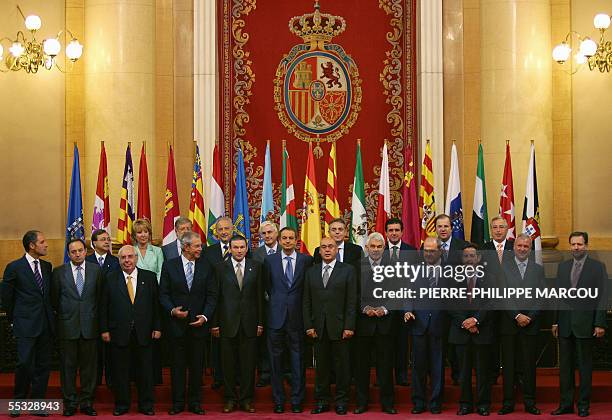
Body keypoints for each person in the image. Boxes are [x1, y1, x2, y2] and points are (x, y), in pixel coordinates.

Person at [99, 245, 161, 416]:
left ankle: (146, 405)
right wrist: (104, 329)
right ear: (118, 260)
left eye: (130, 257)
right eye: (123, 257)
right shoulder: (110, 278)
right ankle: (121, 405)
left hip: (144, 332)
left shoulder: (148, 277)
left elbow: (156, 305)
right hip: (118, 332)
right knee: (121, 372)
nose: (127, 260)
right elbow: (103, 306)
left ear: (136, 258)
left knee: (145, 371)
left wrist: (157, 327)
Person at [160, 231, 217, 415]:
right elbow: (163, 294)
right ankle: (177, 403)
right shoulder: (170, 266)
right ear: (186, 247)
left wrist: (205, 317)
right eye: (197, 246)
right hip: (176, 327)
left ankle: (195, 403)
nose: (201, 248)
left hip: (199, 326)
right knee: (177, 367)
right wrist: (172, 310)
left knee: (196, 367)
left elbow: (212, 295)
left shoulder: (207, 266)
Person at [551, 232, 607, 418]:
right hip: (565, 324)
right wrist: (555, 321)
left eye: (579, 244)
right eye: (573, 244)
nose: (576, 247)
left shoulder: (598, 267)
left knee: (584, 368)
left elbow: (603, 297)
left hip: (586, 324)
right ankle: (566, 404)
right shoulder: (563, 267)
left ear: (586, 245)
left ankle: (583, 405)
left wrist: (599, 323)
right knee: (565, 369)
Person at [1, 230, 55, 417]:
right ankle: (17, 401)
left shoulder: (48, 267)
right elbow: (6, 298)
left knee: (43, 365)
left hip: (45, 325)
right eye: (42, 241)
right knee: (24, 364)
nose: (46, 244)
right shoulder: (14, 267)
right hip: (25, 325)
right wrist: (13, 320)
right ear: (32, 245)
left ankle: (37, 404)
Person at [303, 236, 357, 415]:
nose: (327, 250)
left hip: (341, 328)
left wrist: (349, 326)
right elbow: (306, 302)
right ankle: (322, 401)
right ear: (319, 251)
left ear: (336, 250)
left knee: (342, 367)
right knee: (322, 368)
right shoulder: (311, 272)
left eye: (331, 247)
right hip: (318, 328)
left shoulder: (348, 270)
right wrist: (309, 325)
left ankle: (341, 401)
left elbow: (351, 301)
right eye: (324, 247)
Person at [211, 235, 264, 414]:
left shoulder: (256, 267)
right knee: (228, 365)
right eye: (236, 247)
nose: (239, 250)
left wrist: (260, 323)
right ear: (230, 249)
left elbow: (259, 298)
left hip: (250, 324)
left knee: (249, 365)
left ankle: (247, 399)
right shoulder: (219, 268)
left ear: (247, 248)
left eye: (242, 247)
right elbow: (216, 298)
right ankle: (230, 399)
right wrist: (215, 324)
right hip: (227, 324)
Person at [263, 226, 312, 414]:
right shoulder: (270, 260)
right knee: (276, 363)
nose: (288, 241)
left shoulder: (306, 260)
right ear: (279, 240)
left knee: (298, 361)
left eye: (291, 238)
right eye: (284, 238)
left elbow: (307, 288)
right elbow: (268, 287)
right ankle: (278, 400)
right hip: (276, 319)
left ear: (296, 240)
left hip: (297, 319)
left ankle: (297, 400)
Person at [51, 238, 103, 416]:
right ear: (68, 254)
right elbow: (54, 300)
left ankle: (87, 403)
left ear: (85, 251)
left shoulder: (96, 271)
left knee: (90, 369)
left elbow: (100, 298)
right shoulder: (58, 272)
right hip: (67, 327)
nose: (78, 254)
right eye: (73, 252)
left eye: (80, 250)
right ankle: (70, 403)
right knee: (68, 368)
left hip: (90, 327)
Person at [498, 234, 544, 416]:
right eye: (520, 246)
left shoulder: (537, 269)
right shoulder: (504, 268)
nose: (523, 249)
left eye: (526, 246)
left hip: (530, 325)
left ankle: (530, 402)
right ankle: (508, 402)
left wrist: (529, 317)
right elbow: (502, 295)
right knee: (508, 366)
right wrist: (516, 315)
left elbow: (541, 297)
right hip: (509, 324)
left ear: (530, 249)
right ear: (514, 247)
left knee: (528, 366)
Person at [448, 244, 495, 416]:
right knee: (463, 373)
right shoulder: (453, 278)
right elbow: (449, 303)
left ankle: (483, 404)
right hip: (461, 333)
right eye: (465, 256)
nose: (469, 259)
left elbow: (491, 302)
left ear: (478, 259)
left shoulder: (489, 278)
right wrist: (465, 323)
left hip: (482, 332)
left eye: (472, 256)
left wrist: (475, 320)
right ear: (462, 259)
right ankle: (465, 404)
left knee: (483, 372)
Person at [354, 232, 398, 415]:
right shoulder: (356, 267)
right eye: (372, 246)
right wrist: (364, 309)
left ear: (384, 248)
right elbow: (351, 295)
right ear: (366, 248)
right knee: (361, 367)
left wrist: (385, 309)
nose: (375, 250)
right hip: (363, 325)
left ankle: (387, 404)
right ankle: (361, 403)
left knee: (386, 367)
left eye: (379, 247)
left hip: (385, 325)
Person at [405, 237, 447, 414]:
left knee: (438, 367)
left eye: (432, 250)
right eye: (426, 251)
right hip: (418, 324)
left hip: (440, 324)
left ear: (439, 251)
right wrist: (407, 310)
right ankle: (419, 402)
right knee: (418, 367)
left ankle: (436, 402)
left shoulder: (450, 272)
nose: (429, 254)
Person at [479, 216, 513, 386]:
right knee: (490, 341)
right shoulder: (483, 249)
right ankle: (492, 375)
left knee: (509, 344)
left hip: (511, 306)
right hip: (489, 305)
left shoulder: (516, 248)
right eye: (495, 227)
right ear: (491, 230)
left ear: (507, 229)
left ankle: (512, 376)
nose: (498, 230)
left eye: (501, 227)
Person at [434, 213, 467, 385]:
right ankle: (438, 378)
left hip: (457, 305)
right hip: (436, 306)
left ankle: (458, 376)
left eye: (446, 226)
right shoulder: (429, 247)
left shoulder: (463, 247)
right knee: (440, 343)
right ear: (436, 229)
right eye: (440, 226)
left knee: (457, 344)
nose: (443, 229)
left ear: (451, 227)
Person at [384, 217, 416, 387]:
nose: (394, 233)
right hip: (384, 308)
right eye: (391, 230)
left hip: (405, 307)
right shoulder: (379, 252)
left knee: (403, 344)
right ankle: (385, 376)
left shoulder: (411, 252)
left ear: (402, 232)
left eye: (397, 230)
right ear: (386, 233)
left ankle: (402, 376)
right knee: (385, 345)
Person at [204, 216, 235, 388]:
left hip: (237, 305)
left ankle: (235, 377)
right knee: (217, 344)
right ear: (216, 232)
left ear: (232, 230)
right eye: (220, 229)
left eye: (227, 229)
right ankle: (218, 377)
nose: (224, 232)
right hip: (216, 304)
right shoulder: (209, 252)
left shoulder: (242, 248)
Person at [86, 228, 119, 388]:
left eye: (108, 239)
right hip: (91, 312)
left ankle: (112, 384)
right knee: (93, 354)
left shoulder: (116, 261)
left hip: (111, 312)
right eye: (103, 239)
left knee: (112, 353)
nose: (107, 242)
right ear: (94, 243)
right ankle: (95, 384)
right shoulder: (86, 261)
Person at [252, 220, 279, 388]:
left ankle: (285, 372)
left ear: (277, 234)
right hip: (262, 304)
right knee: (263, 341)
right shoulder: (256, 254)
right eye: (264, 233)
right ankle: (265, 372)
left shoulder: (287, 250)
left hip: (283, 304)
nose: (267, 236)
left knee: (282, 340)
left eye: (270, 232)